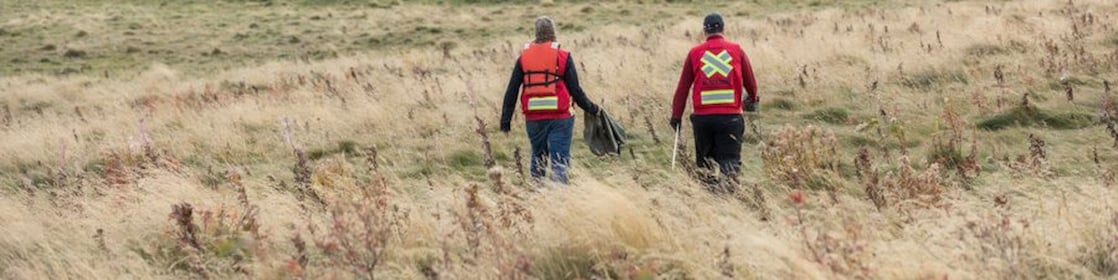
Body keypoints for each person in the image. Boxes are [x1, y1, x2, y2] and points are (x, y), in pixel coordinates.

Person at [500, 16, 601, 185]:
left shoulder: (524, 58)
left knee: (538, 159)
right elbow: (575, 91)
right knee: (560, 161)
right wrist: (593, 109)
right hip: (561, 118)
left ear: (535, 33)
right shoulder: (563, 56)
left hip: (533, 118)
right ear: (553, 33)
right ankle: (559, 201)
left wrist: (505, 121)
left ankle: (537, 195)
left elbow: (511, 90)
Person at [669, 13, 759, 193]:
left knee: (705, 165)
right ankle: (728, 200)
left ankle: (708, 201)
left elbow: (682, 88)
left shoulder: (695, 53)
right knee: (730, 163)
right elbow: (751, 84)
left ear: (704, 31)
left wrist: (676, 116)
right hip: (731, 118)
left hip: (703, 120)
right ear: (723, 29)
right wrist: (752, 99)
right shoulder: (736, 50)